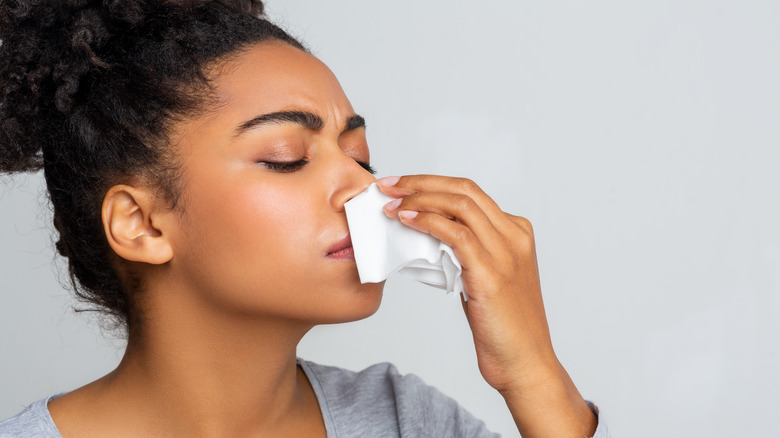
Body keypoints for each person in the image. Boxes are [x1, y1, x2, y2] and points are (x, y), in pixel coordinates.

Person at [0, 1, 610, 437]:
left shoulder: (405, 420)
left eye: (360, 155)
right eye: (286, 159)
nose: (362, 185)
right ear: (142, 225)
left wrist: (534, 377)